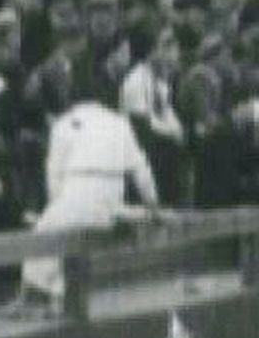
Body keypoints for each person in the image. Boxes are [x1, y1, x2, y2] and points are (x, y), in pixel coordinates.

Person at [13, 93, 159, 316]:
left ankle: (35, 300)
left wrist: (55, 207)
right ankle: (47, 297)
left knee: (44, 232)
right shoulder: (119, 123)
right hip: (110, 195)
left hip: (79, 190)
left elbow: (53, 175)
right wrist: (153, 205)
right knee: (62, 228)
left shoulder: (63, 124)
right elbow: (141, 168)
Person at [122, 22, 185, 205]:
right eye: (166, 45)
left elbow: (168, 116)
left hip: (162, 150)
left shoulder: (160, 81)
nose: (174, 51)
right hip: (141, 155)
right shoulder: (135, 81)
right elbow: (142, 129)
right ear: (151, 50)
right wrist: (173, 134)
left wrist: (177, 132)